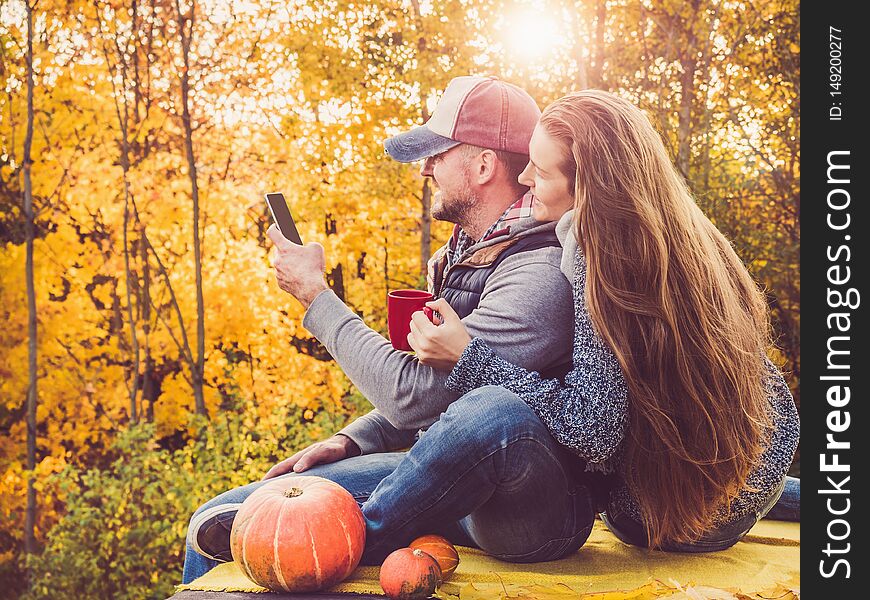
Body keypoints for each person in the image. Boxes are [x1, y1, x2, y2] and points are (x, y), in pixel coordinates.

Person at [182, 76, 589, 584]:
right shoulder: (459, 258)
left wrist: (317, 297)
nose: (425, 169)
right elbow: (439, 396)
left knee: (494, 411)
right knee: (224, 516)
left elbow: (415, 395)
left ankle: (349, 538)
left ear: (483, 165)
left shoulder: (540, 270)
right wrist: (355, 438)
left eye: (438, 155)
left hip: (526, 508)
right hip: (452, 481)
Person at [408, 89, 800, 551]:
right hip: (763, 461)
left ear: (589, 187)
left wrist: (469, 359)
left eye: (541, 169)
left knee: (596, 479)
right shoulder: (692, 239)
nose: (526, 176)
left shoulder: (598, 261)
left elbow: (593, 430)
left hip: (669, 521)